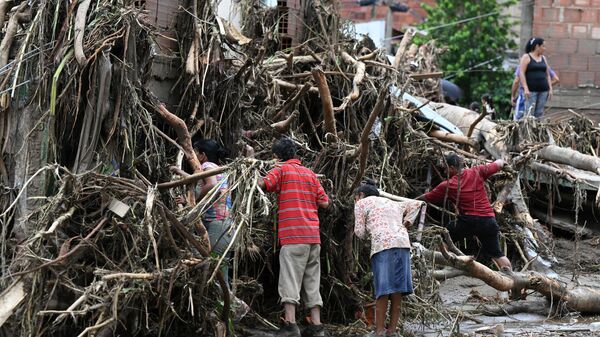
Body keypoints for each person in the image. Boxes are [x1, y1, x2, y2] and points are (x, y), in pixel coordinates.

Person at [258, 137, 330, 337]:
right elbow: (325, 203)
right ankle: (316, 325)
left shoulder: (281, 170)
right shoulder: (311, 175)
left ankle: (290, 324)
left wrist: (253, 169)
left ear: (277, 157)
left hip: (293, 236)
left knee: (290, 278)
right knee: (312, 280)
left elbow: (264, 184)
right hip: (313, 237)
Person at [417, 153, 512, 270]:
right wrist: (503, 162)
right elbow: (498, 164)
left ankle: (439, 269)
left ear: (452, 168)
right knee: (497, 254)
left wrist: (410, 201)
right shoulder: (477, 171)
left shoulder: (448, 185)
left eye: (445, 169)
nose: (444, 172)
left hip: (468, 221)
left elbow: (427, 197)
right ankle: (512, 280)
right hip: (488, 220)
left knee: (443, 237)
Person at [354, 180, 421, 337]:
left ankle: (378, 332)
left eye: (356, 197)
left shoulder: (361, 203)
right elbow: (417, 203)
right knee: (397, 290)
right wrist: (407, 222)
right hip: (403, 243)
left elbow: (359, 232)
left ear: (361, 195)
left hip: (383, 245)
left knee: (383, 290)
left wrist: (367, 233)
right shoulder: (392, 203)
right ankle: (391, 331)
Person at [518, 37, 553, 118]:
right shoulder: (526, 57)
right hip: (531, 91)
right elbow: (521, 73)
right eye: (543, 46)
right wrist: (525, 88)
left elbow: (547, 74)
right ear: (537, 46)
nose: (545, 48)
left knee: (539, 113)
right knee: (530, 113)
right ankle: (528, 130)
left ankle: (537, 130)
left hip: (543, 90)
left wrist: (550, 88)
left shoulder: (543, 58)